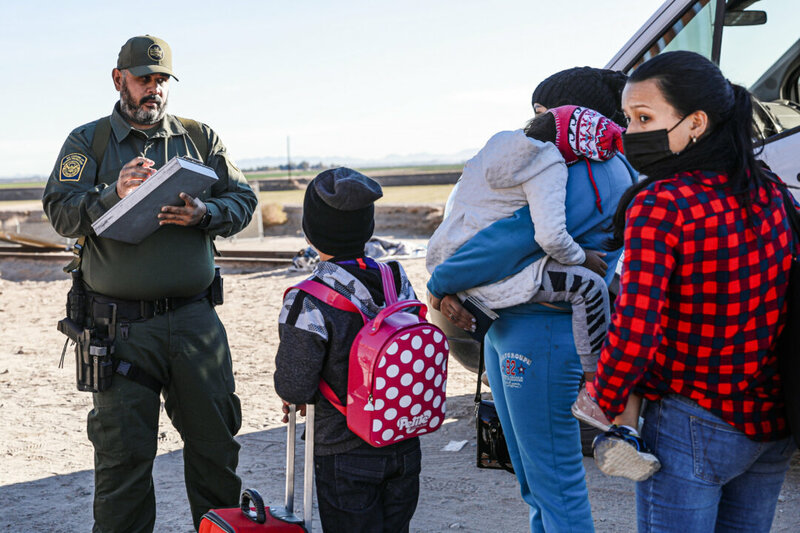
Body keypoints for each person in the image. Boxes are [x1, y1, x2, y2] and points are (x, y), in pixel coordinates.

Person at [42, 35, 258, 532]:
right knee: (122, 461)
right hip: (120, 331)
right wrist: (111, 193)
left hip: (195, 323)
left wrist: (206, 213)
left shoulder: (199, 137)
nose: (153, 89)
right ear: (119, 79)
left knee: (216, 450)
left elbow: (243, 200)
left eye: (161, 80)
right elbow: (60, 212)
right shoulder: (88, 142)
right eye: (144, 79)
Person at [591, 50, 797, 533]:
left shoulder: (662, 202)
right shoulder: (768, 189)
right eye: (627, 118)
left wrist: (605, 397)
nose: (630, 132)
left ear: (696, 123)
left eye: (644, 118)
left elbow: (636, 327)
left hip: (693, 419)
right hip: (772, 419)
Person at [427, 66, 635, 532]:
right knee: (534, 479)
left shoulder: (583, 172)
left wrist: (440, 281)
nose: (535, 128)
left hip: (540, 329)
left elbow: (507, 241)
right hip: (519, 325)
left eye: (542, 113)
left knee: (552, 482)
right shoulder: (605, 165)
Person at [274, 168, 421, 533]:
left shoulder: (308, 299)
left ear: (310, 231)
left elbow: (294, 386)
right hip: (403, 441)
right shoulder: (397, 279)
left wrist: (296, 394)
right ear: (367, 226)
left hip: (343, 452)